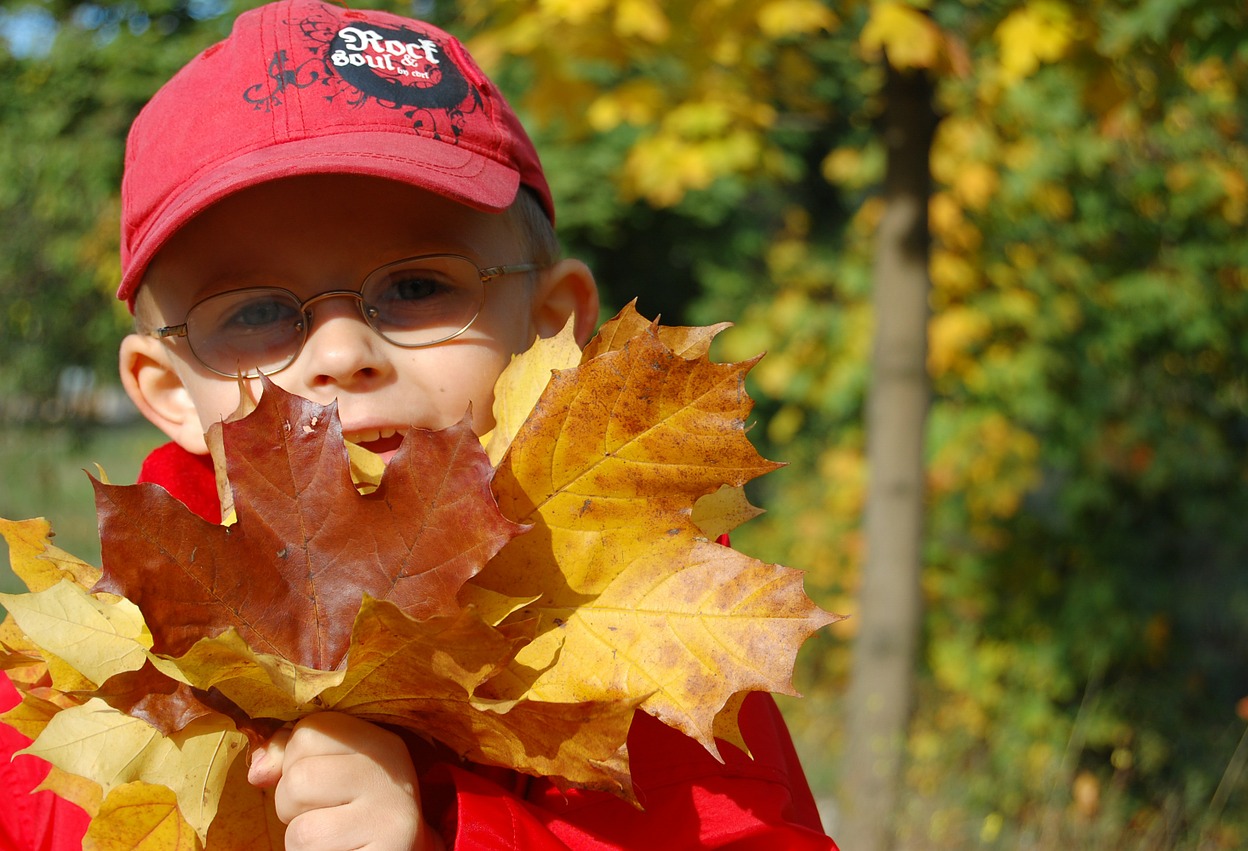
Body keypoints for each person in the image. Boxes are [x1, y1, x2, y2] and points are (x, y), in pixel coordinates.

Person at [0, 1, 836, 848]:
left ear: (552, 330)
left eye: (415, 288)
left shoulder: (635, 621)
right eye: (255, 310)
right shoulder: (82, 685)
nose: (341, 350)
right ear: (168, 388)